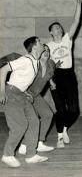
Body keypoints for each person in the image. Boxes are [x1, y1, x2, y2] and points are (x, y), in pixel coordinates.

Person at [0, 36, 48, 168]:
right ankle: (7, 155)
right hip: (11, 94)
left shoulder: (36, 62)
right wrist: (2, 91)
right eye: (39, 41)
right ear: (34, 47)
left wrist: (25, 92)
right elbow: (3, 70)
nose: (42, 42)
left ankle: (31, 155)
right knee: (19, 125)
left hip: (22, 95)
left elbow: (20, 80)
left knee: (34, 121)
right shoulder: (25, 60)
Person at [47, 0, 82, 148]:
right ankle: (60, 136)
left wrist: (79, 4)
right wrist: (50, 80)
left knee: (74, 110)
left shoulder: (67, 39)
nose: (59, 29)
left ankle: (64, 128)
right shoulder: (47, 46)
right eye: (56, 28)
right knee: (60, 109)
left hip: (69, 75)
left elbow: (76, 22)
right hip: (55, 76)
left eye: (60, 27)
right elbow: (44, 65)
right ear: (51, 32)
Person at [18, 44, 57, 155]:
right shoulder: (33, 64)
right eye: (43, 50)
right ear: (38, 53)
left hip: (36, 95)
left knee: (48, 115)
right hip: (25, 94)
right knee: (33, 120)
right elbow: (21, 79)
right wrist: (25, 93)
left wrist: (51, 82)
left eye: (48, 50)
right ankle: (24, 145)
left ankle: (39, 143)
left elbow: (49, 75)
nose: (46, 52)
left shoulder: (51, 64)